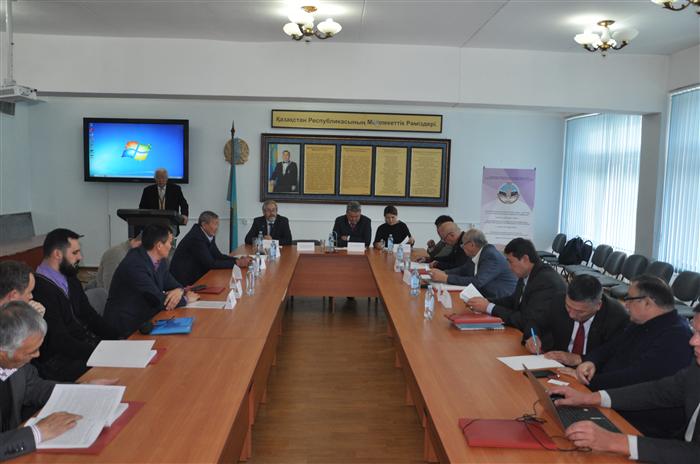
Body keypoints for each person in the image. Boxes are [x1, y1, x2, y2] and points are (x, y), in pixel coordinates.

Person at [549, 304, 700, 463]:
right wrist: (589, 398)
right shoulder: (696, 369)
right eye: (695, 331)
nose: (692, 341)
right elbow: (658, 391)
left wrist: (614, 441)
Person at [568, 275, 693, 438]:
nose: (625, 304)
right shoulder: (641, 322)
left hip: (639, 420)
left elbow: (636, 378)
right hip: (610, 397)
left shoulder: (677, 336)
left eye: (630, 299)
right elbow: (611, 347)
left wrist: (588, 382)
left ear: (647, 303)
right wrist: (591, 361)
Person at [0, 301, 115, 461]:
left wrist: (83, 389)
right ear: (3, 352)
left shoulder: (15, 362)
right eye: (31, 351)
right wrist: (38, 432)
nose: (37, 355)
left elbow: (35, 387)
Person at [32, 229, 120, 381]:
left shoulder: (70, 277)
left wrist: (118, 338)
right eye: (75, 253)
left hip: (82, 348)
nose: (80, 257)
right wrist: (99, 352)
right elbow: (59, 341)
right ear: (57, 254)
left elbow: (90, 315)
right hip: (58, 361)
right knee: (116, 371)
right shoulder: (39, 288)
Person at [104, 224, 199, 337]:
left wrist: (179, 291)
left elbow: (173, 284)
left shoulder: (159, 260)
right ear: (159, 246)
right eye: (170, 243)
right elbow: (158, 299)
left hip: (145, 318)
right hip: (125, 326)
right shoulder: (134, 265)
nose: (171, 247)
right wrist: (186, 299)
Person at [466, 237, 566, 337]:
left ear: (525, 259)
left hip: (541, 340)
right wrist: (485, 301)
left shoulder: (546, 282)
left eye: (510, 262)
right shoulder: (528, 273)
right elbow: (513, 301)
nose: (509, 267)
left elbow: (526, 320)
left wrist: (488, 307)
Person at [524, 274, 629, 366]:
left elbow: (612, 355)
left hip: (593, 373)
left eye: (580, 312)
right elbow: (534, 321)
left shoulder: (617, 317)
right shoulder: (558, 300)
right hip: (556, 364)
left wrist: (580, 359)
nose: (572, 315)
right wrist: (533, 336)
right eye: (568, 307)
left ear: (598, 305)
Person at [428, 229, 516, 299]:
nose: (462, 248)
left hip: (500, 299)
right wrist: (444, 273)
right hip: (484, 294)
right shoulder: (478, 253)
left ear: (472, 245)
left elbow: (478, 282)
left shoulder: (491, 256)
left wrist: (446, 278)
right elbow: (463, 269)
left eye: (463, 245)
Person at [171, 211, 251, 287]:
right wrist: (237, 263)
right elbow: (210, 264)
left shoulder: (207, 233)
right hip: (184, 280)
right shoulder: (196, 237)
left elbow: (218, 256)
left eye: (217, 224)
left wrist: (237, 260)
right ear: (204, 225)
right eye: (215, 224)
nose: (217, 227)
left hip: (196, 275)